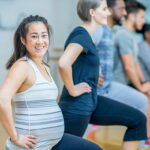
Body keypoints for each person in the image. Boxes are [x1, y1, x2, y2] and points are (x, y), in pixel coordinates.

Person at [0, 15, 102, 150]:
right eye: (34, 36)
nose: (40, 41)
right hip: (31, 146)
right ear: (23, 40)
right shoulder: (22, 66)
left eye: (44, 35)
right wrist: (15, 137)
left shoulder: (45, 66)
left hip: (52, 143)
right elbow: (2, 99)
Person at [58, 0, 147, 150]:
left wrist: (94, 74)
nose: (108, 12)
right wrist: (72, 89)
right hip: (77, 108)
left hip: (91, 102)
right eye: (105, 9)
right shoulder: (82, 35)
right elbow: (63, 63)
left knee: (138, 120)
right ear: (92, 13)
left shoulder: (89, 35)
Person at [92, 0, 148, 119]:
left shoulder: (123, 34)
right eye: (142, 17)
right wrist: (141, 87)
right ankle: (145, 136)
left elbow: (134, 61)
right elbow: (129, 66)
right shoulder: (120, 34)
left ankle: (145, 136)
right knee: (143, 101)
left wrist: (143, 82)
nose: (144, 21)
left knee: (144, 99)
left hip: (115, 84)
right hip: (112, 84)